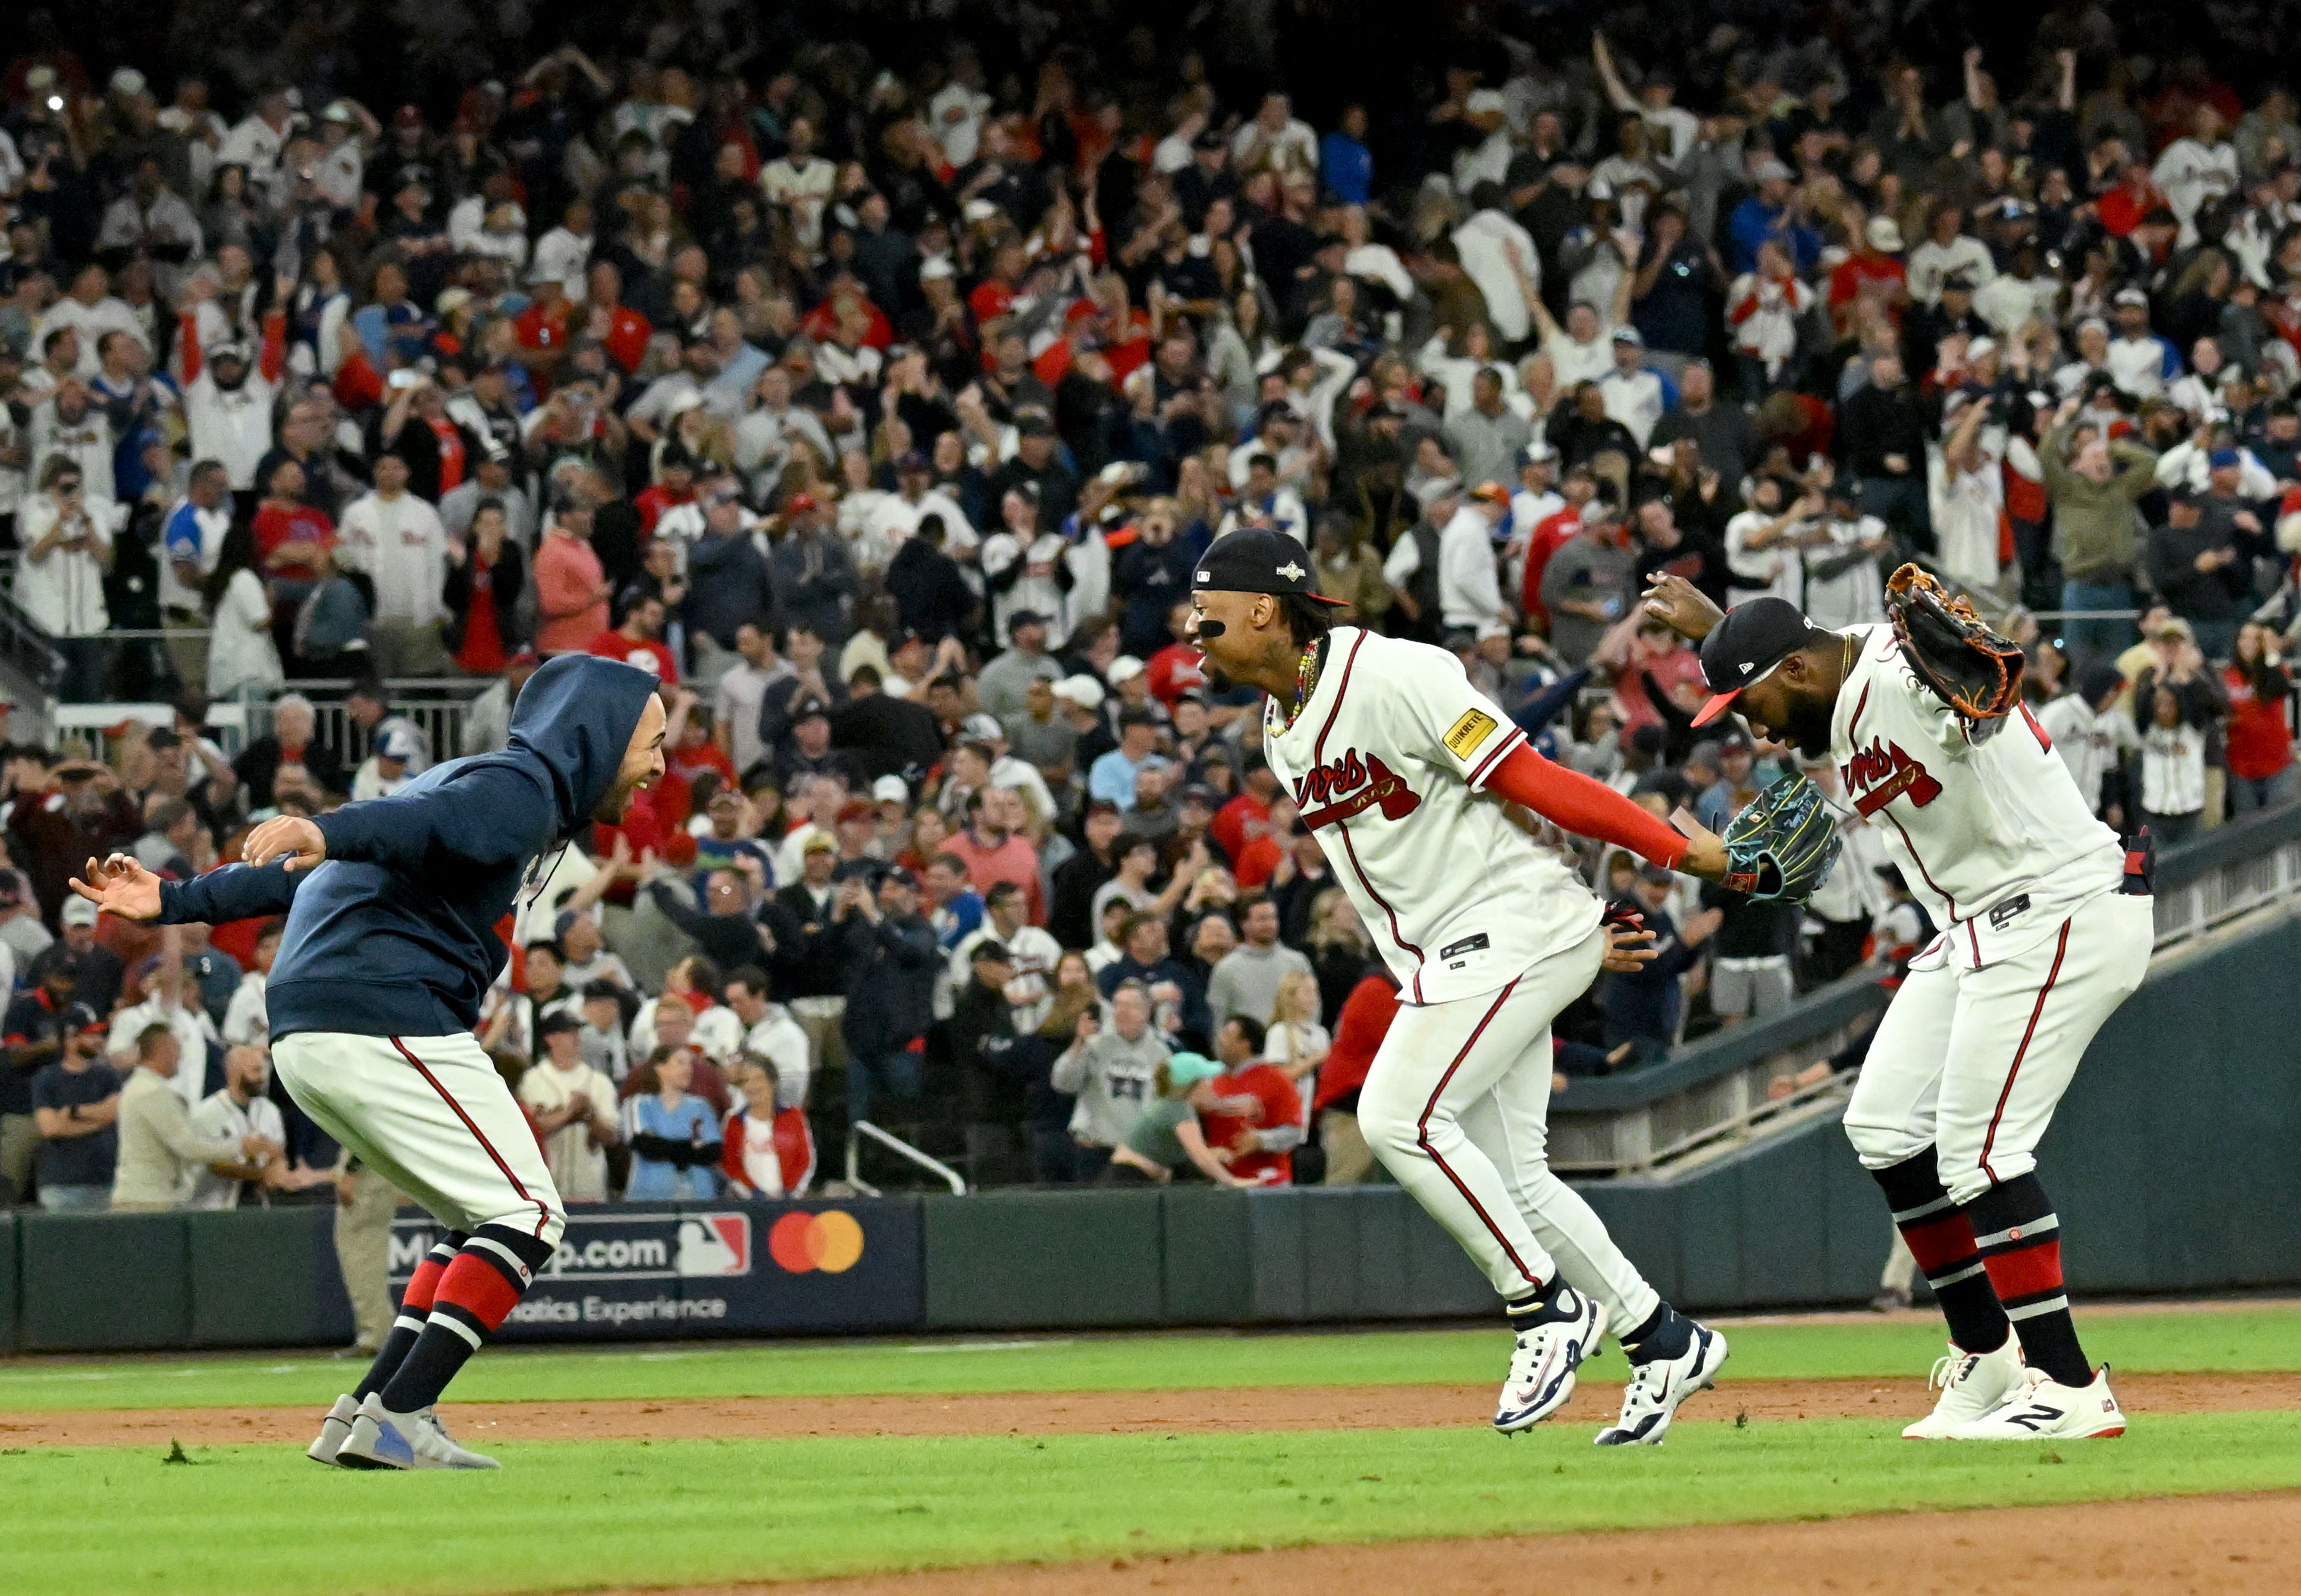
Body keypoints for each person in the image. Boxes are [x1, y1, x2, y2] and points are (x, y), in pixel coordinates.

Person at [1186, 526, 1733, 1441]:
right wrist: (1577, 934)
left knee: (1397, 1115)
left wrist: (1669, 852)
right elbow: (1467, 826)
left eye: (1207, 617)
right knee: (1516, 1180)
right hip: (1466, 949)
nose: (1195, 634)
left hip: (1502, 928)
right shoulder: (1282, 728)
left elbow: (1532, 778)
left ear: (1263, 608)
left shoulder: (1398, 672)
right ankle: (1661, 1335)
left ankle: (1544, 1309)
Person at [74, 651, 666, 1469]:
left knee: (474, 1218)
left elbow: (343, 854)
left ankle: (363, 1413)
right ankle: (405, 1411)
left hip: (318, 1029)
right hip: (379, 1014)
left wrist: (178, 899)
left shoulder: (479, 781)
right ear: (598, 734)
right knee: (529, 1213)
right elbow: (392, 830)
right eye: (651, 741)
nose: (660, 764)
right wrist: (324, 826)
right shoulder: (521, 788)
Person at [1645, 572, 2155, 1441]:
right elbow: (1803, 651)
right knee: (1881, 1124)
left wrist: (1968, 679)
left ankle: (2068, 1385)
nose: (1748, 722)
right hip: (1973, 925)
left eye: (1749, 698)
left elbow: (1972, 690)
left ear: (1798, 670)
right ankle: (1988, 1357)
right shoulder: (1828, 675)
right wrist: (1721, 631)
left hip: (2057, 904)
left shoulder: (1903, 679)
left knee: (1981, 1153)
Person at [109, 1024, 274, 1211]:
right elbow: (187, 1146)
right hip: (147, 1203)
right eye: (177, 1050)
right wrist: (241, 1146)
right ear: (164, 1051)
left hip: (143, 1199)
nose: (180, 1057)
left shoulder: (140, 1087)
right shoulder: (152, 1093)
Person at [1051, 980, 1170, 1183]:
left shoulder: (1161, 1053)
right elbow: (1062, 1083)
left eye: (1130, 1006)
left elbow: (1164, 1106)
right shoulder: (1094, 1044)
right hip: (1095, 1151)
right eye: (1118, 1005)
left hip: (1137, 1156)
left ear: (1147, 1011)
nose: (1122, 1012)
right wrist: (1079, 1042)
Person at [28, 1003, 121, 1210]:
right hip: (60, 1184)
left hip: (103, 1182)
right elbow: (50, 1128)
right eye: (90, 1035)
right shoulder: (47, 1078)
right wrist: (100, 1120)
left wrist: (73, 1112)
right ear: (70, 1039)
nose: (99, 1040)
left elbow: (114, 1111)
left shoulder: (107, 1075)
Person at [186, 1043, 291, 1209]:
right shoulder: (206, 1113)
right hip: (212, 1209)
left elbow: (279, 1154)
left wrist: (277, 1165)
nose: (262, 1078)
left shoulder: (269, 1110)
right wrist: (262, 1173)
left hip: (258, 1206)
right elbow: (214, 1165)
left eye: (263, 1070)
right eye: (256, 1071)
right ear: (234, 1073)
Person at [622, 1046, 722, 1199]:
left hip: (699, 1196)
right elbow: (646, 1146)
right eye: (680, 1063)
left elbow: (713, 1151)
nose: (688, 1069)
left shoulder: (701, 1107)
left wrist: (667, 1146)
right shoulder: (639, 1105)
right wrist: (691, 1148)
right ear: (660, 1068)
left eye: (690, 1064)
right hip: (650, 1198)